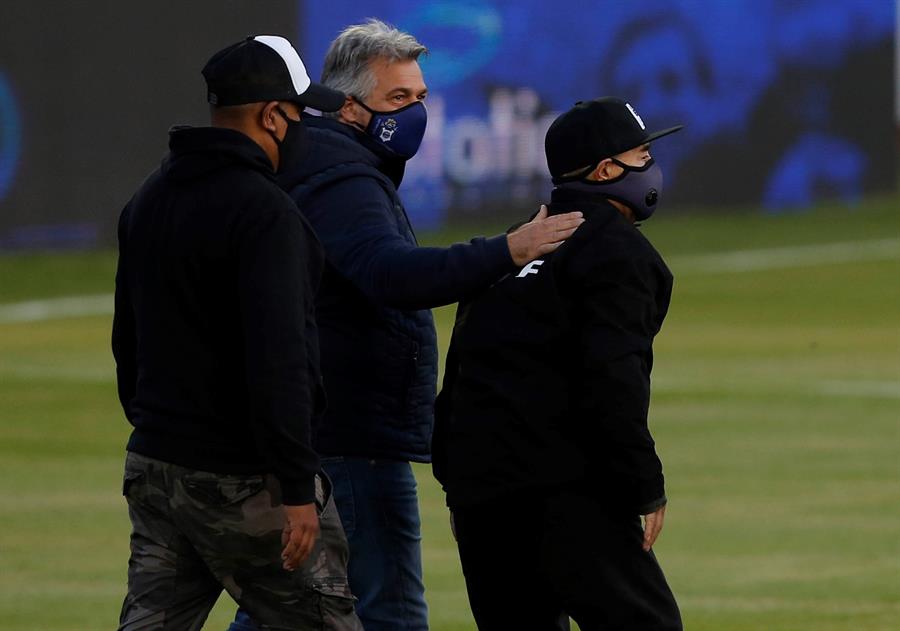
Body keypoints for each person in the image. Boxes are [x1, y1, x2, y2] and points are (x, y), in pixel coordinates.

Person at [229, 18, 584, 631]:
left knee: (287, 612)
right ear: (347, 107)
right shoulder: (342, 179)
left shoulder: (328, 165)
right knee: (387, 613)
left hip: (326, 432)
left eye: (420, 96)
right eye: (398, 98)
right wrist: (509, 250)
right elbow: (390, 274)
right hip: (353, 442)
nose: (414, 112)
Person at [112, 35, 362, 630]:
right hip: (245, 479)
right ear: (272, 116)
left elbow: (128, 341)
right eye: (301, 112)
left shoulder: (149, 197)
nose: (306, 128)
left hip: (157, 463)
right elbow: (283, 359)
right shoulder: (265, 212)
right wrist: (296, 488)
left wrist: (157, 428)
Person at [432, 97, 685, 630]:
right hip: (568, 493)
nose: (651, 165)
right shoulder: (617, 252)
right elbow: (613, 382)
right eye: (642, 154)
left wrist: (459, 489)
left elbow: (462, 366)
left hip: (482, 496)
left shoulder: (515, 243)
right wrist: (644, 483)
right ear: (606, 170)